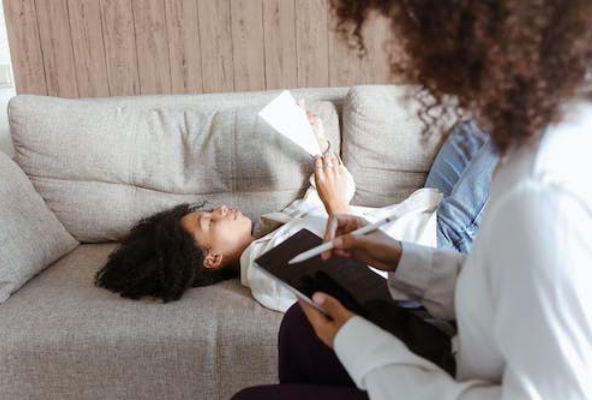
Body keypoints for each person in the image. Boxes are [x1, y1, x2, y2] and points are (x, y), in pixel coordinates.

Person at [232, 0, 592, 399]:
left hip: (476, 381)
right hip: (474, 347)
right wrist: (400, 258)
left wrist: (367, 352)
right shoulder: (537, 142)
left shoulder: (542, 196)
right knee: (300, 328)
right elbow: (497, 285)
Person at [95, 110, 496, 309]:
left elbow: (333, 189)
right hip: (438, 245)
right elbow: (358, 289)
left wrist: (318, 144)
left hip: (428, 211)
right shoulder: (267, 272)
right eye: (210, 221)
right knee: (520, 126)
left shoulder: (273, 229)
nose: (220, 210)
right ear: (212, 258)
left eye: (210, 210)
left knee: (477, 122)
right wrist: (337, 206)